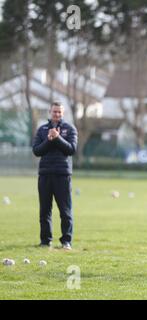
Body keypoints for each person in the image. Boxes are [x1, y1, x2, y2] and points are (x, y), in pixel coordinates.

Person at [32, 102, 78, 250]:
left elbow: (71, 149)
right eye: (54, 112)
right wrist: (49, 140)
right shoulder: (42, 130)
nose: (57, 114)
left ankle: (66, 241)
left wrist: (57, 138)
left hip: (62, 175)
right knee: (44, 210)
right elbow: (37, 151)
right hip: (45, 174)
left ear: (63, 113)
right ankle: (45, 241)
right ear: (50, 112)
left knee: (65, 211)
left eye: (59, 112)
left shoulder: (70, 129)